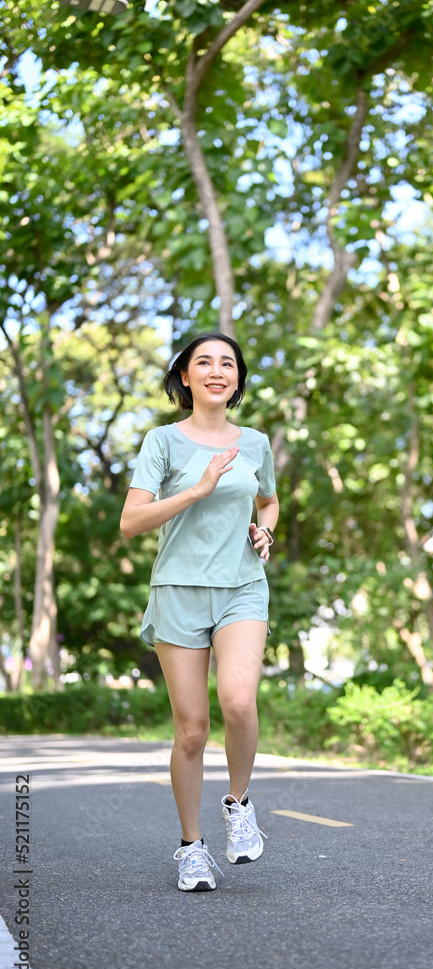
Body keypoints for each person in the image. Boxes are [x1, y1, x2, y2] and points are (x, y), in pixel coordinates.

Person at [120, 333, 279, 892]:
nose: (217, 371)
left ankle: (239, 804)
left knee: (238, 700)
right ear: (185, 377)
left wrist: (265, 531)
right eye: (203, 362)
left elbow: (268, 500)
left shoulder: (255, 443)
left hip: (242, 586)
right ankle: (191, 848)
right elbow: (131, 522)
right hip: (178, 591)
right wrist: (197, 489)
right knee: (191, 731)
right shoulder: (162, 441)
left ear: (237, 379)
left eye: (227, 363)